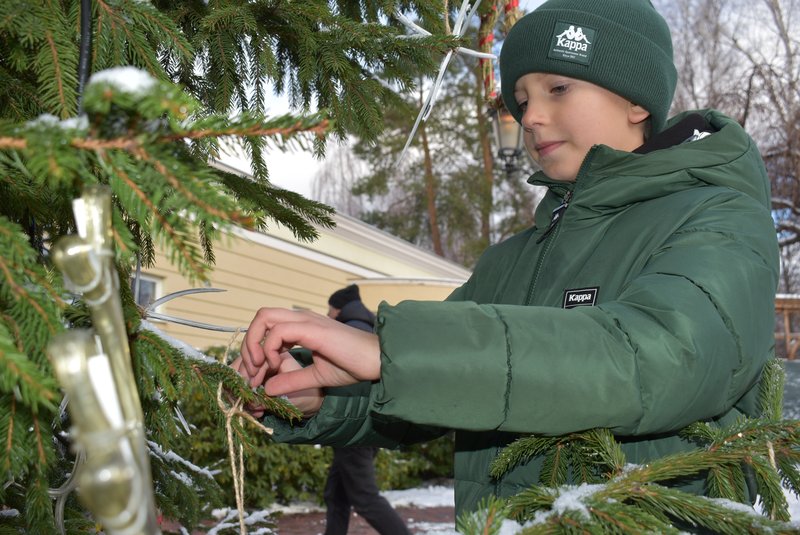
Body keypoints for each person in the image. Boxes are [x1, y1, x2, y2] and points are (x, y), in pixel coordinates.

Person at [233, 0, 779, 525]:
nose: (531, 116)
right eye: (520, 98)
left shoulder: (720, 215)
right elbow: (436, 386)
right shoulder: (513, 259)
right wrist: (317, 394)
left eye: (558, 87)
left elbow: (660, 355)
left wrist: (391, 349)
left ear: (636, 101)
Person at [319, 285, 409, 535]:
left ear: (338, 309)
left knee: (365, 499)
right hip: (357, 427)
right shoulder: (366, 329)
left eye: (329, 310)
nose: (327, 315)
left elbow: (347, 385)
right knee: (336, 495)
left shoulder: (351, 331)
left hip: (353, 428)